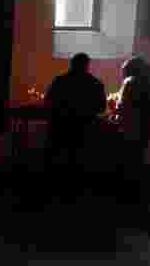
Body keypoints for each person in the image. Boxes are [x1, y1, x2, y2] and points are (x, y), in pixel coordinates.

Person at [43, 52, 107, 201]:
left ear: (71, 64)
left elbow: (48, 102)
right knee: (79, 161)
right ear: (87, 65)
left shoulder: (59, 81)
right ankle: (78, 193)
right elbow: (101, 107)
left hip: (60, 128)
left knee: (58, 161)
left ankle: (55, 191)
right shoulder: (95, 83)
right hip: (84, 129)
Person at [114, 55, 150, 205]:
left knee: (126, 161)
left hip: (131, 127)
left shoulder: (131, 82)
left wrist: (116, 112)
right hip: (146, 126)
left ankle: (124, 196)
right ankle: (137, 196)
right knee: (138, 159)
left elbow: (122, 106)